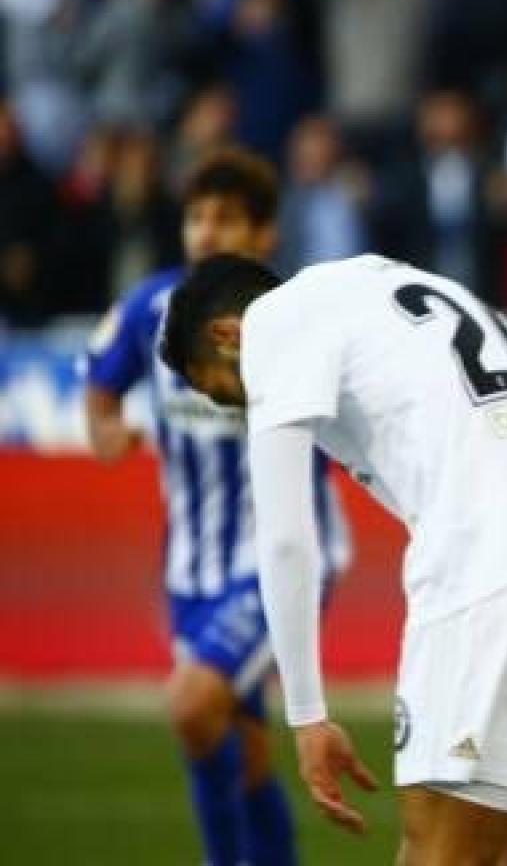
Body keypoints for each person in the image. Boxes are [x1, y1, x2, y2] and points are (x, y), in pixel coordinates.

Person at [158, 253, 507, 864]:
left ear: (227, 335)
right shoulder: (398, 282)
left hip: (489, 574)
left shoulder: (273, 321)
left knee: (436, 851)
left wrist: (307, 715)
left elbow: (283, 537)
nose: (239, 407)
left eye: (222, 391)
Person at [82, 148, 351, 866]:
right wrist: (107, 431)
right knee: (245, 748)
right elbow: (99, 386)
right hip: (192, 570)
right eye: (196, 217)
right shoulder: (149, 310)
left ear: (265, 234)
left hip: (284, 552)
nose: (205, 232)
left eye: (226, 218)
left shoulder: (294, 317)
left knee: (191, 705)